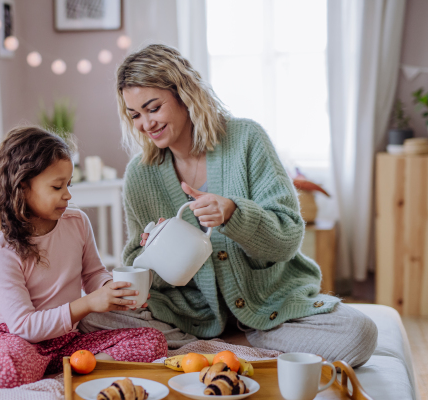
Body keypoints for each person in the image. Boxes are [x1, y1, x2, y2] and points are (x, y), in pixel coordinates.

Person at [110, 44, 377, 367]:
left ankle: (221, 348)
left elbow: (289, 237)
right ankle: (232, 350)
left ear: (184, 94)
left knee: (360, 333)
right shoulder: (140, 174)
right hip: (190, 316)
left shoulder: (246, 139)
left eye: (153, 108)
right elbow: (141, 268)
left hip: (269, 306)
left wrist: (235, 215)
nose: (145, 124)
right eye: (134, 114)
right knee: (95, 319)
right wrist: (152, 253)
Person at [0, 127, 167, 389]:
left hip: (66, 339)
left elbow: (93, 273)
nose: (68, 194)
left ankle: (74, 368)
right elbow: (25, 325)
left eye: (68, 184)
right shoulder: (4, 250)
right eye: (56, 186)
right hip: (18, 338)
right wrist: (88, 304)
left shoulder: (77, 222)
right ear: (23, 187)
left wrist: (111, 290)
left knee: (153, 341)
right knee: (5, 376)